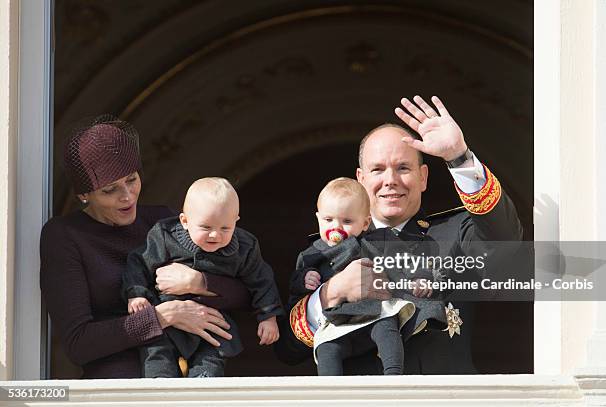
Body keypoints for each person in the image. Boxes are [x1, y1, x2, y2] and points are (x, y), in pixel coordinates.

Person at [276, 95, 523, 374]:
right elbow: (286, 348)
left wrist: (459, 157)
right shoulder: (324, 249)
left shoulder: (454, 233)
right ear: (361, 179)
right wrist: (331, 293)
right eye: (378, 169)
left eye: (403, 168)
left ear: (423, 177)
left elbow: (505, 243)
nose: (390, 180)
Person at [40, 116, 250, 379]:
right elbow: (78, 344)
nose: (127, 196)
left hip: (178, 387)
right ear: (84, 195)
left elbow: (247, 292)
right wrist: (164, 316)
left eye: (131, 179)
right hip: (114, 392)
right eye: (110, 190)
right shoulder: (64, 236)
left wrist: (200, 282)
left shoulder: (163, 221)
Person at [123, 177, 283, 377]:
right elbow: (139, 262)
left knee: (212, 355)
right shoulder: (164, 236)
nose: (215, 235)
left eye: (225, 228)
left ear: (236, 221)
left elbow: (261, 280)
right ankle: (159, 385)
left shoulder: (245, 246)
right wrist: (136, 294)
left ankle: (203, 384)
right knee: (157, 354)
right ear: (185, 221)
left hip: (212, 323)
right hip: (167, 322)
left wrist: (268, 317)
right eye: (206, 227)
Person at [289, 177, 419, 375]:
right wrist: (305, 279)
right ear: (318, 218)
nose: (336, 227)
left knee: (387, 328)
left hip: (374, 312)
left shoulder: (376, 241)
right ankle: (332, 391)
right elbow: (295, 288)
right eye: (328, 220)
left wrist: (415, 278)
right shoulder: (312, 254)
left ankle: (393, 376)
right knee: (326, 347)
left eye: (347, 221)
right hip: (338, 320)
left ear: (365, 223)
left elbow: (404, 260)